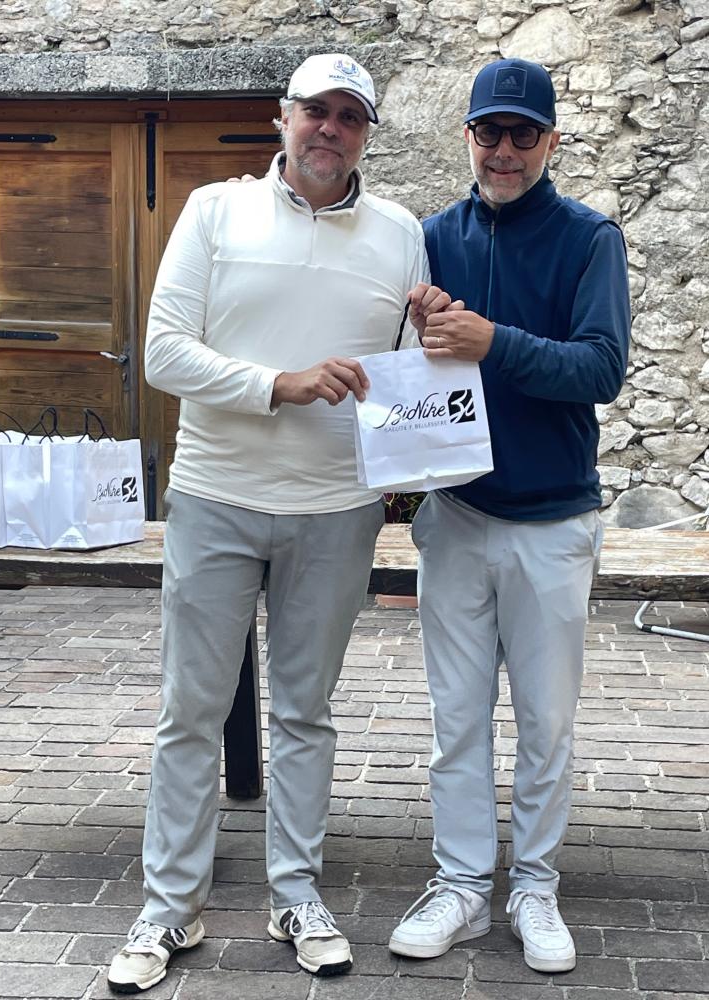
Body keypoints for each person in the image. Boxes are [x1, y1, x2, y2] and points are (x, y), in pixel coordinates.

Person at [106, 53, 428, 994]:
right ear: (280, 117)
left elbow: (409, 371)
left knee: (305, 712)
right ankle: (170, 908)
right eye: (315, 110)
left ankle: (297, 895)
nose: (331, 129)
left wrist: (438, 333)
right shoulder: (215, 210)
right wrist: (275, 385)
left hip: (336, 509)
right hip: (216, 496)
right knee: (190, 712)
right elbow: (163, 353)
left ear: (366, 135)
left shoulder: (401, 232)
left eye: (351, 117)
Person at [388, 58, 630, 974]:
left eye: (524, 134)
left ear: (551, 141)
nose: (505, 149)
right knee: (455, 718)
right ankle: (459, 885)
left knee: (546, 722)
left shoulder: (589, 238)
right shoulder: (429, 238)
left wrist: (494, 341)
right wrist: (416, 319)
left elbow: (601, 368)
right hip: (456, 515)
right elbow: (395, 361)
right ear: (468, 137)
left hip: (553, 519)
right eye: (490, 131)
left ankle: (534, 885)